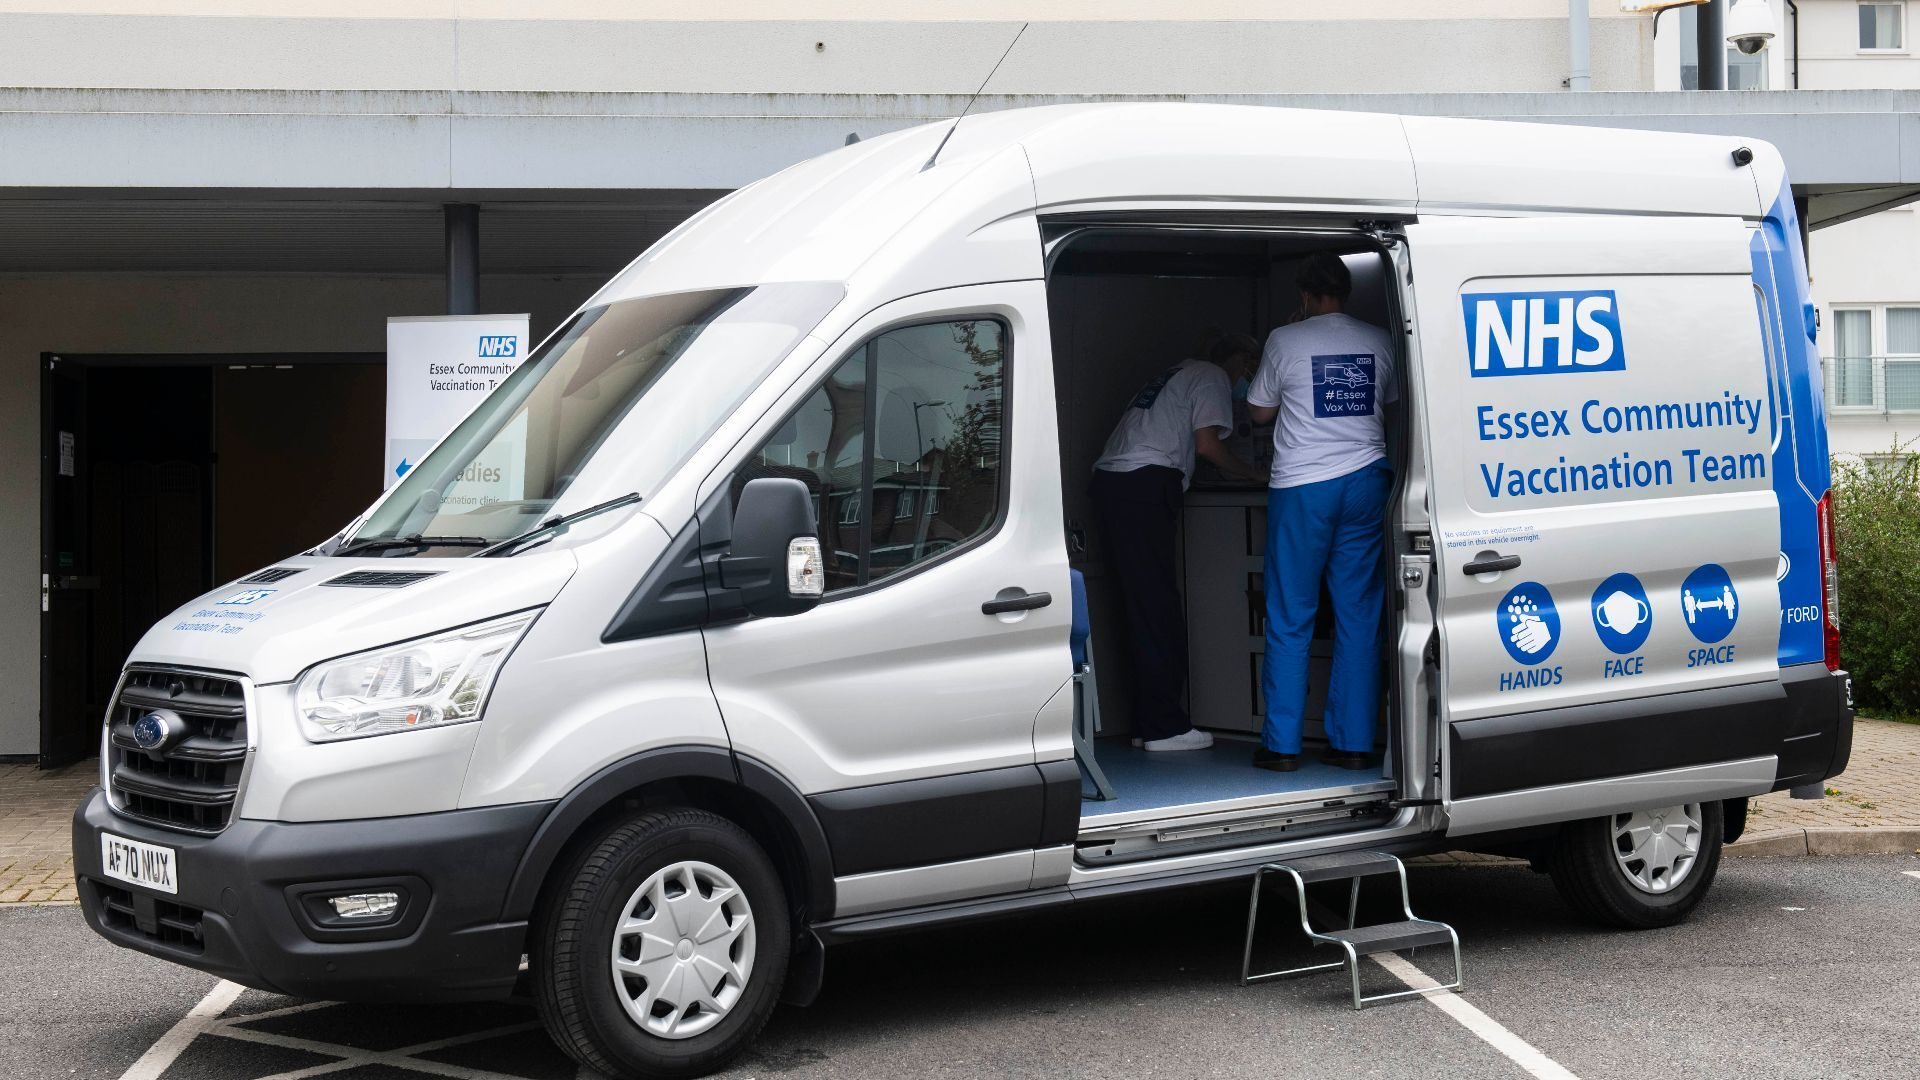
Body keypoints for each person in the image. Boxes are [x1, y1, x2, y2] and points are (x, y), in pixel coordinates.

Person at [1245, 252, 1396, 772]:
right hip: (1366, 481)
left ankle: (1282, 746)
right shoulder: (1379, 339)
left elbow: (1260, 412)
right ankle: (1353, 743)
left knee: (1291, 614)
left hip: (1304, 486)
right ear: (1346, 292)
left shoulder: (1286, 340)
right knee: (1359, 614)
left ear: (1305, 295)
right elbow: (1390, 401)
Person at [1091, 334, 1262, 752]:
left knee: (1137, 606)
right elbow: (1208, 446)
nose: (1245, 379)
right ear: (1238, 359)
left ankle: (1145, 722)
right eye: (1248, 367)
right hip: (1146, 483)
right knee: (1158, 606)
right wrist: (1253, 474)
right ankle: (1165, 726)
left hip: (1112, 482)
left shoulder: (1173, 373)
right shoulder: (1213, 377)